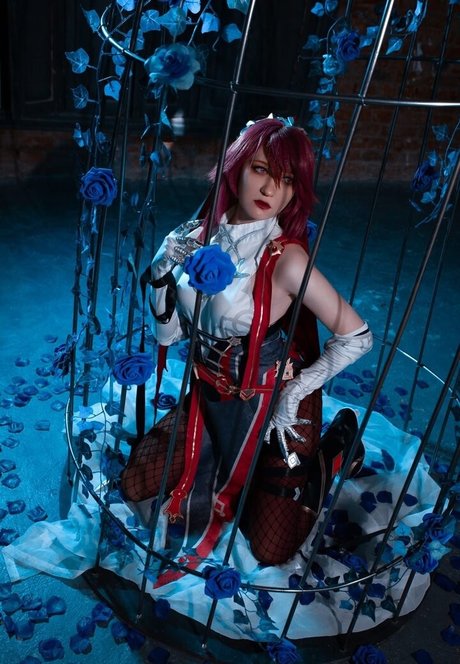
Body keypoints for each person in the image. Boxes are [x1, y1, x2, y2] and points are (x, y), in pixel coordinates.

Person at [121, 117, 373, 568]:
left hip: (273, 402)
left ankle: (336, 450)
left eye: (287, 179)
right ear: (236, 167)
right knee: (136, 482)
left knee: (270, 546)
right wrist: (160, 271)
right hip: (214, 394)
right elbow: (171, 335)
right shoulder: (195, 237)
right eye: (261, 169)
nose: (271, 189)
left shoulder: (287, 260)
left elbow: (358, 336)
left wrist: (295, 393)